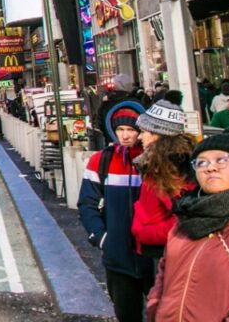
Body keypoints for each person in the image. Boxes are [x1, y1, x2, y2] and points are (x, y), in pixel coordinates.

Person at [146, 127, 229, 320]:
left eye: (222, 159)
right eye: (201, 162)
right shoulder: (185, 221)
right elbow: (163, 275)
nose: (210, 167)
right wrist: (155, 308)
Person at [78, 100, 152, 322]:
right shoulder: (101, 160)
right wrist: (102, 239)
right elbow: (87, 204)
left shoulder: (155, 160)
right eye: (121, 129)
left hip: (154, 258)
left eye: (131, 129)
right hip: (117, 258)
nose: (126, 135)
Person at [131, 96, 196, 270]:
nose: (140, 137)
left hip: (164, 249)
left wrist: (143, 231)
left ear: (158, 134)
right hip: (162, 247)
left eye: (144, 131)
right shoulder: (163, 164)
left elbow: (184, 217)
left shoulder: (166, 167)